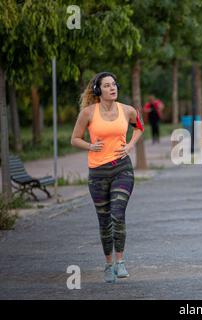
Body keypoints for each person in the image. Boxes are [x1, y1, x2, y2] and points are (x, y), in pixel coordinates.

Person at [71, 72, 144, 283]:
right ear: (98, 90)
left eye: (114, 84)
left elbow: (139, 127)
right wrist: (90, 146)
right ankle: (108, 263)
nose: (113, 88)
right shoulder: (88, 113)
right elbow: (74, 139)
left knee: (117, 213)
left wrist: (130, 145)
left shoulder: (127, 110)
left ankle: (120, 263)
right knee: (104, 220)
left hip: (122, 168)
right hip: (97, 173)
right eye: (107, 85)